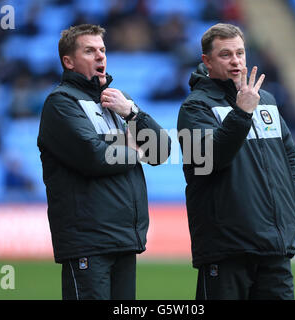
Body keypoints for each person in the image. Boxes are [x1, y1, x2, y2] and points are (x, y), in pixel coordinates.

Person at [37, 24, 170, 300]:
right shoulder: (60, 104)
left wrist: (133, 113)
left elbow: (162, 151)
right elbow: (94, 156)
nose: (100, 57)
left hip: (123, 239)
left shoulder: (118, 102)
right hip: (88, 242)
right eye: (90, 51)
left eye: (102, 50)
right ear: (68, 61)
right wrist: (135, 152)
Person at [177, 23, 295, 300]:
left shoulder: (266, 100)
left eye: (240, 53)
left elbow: (290, 155)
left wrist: (292, 201)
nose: (235, 61)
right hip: (228, 249)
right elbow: (208, 160)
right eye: (225, 54)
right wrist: (242, 113)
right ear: (207, 61)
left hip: (275, 246)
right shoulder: (195, 108)